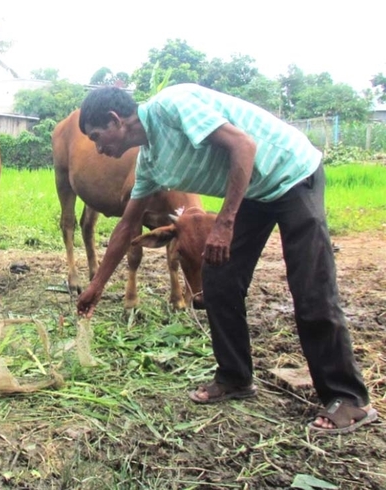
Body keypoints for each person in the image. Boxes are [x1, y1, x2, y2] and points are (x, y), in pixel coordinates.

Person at [75, 83, 377, 434]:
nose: (98, 148)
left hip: (292, 173)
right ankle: (235, 377)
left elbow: (243, 145)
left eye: (97, 136)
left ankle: (350, 400)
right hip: (256, 189)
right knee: (218, 278)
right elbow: (126, 226)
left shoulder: (172, 106)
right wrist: (96, 286)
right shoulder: (150, 161)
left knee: (311, 286)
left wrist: (225, 223)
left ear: (115, 120)